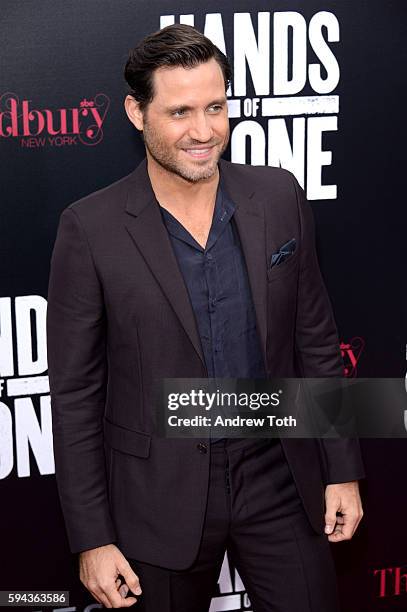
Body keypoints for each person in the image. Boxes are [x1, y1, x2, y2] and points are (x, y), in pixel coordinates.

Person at [46, 24, 365, 611]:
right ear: (135, 114)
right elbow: (75, 395)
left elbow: (315, 340)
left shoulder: (278, 196)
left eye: (216, 107)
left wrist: (341, 468)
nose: (203, 131)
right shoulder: (90, 229)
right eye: (180, 111)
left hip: (278, 474)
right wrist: (92, 537)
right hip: (155, 495)